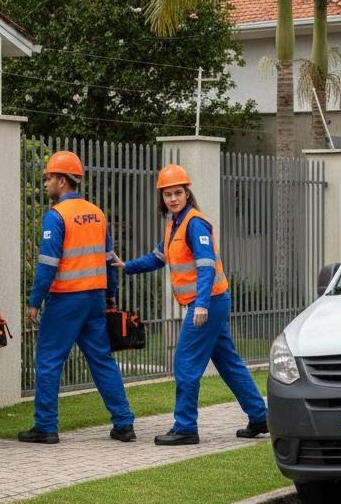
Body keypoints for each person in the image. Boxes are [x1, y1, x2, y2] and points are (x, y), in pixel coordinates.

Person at [116, 164, 267, 445]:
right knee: (229, 363)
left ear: (187, 194)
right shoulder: (174, 224)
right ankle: (260, 416)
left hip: (207, 304)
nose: (173, 198)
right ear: (162, 198)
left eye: (178, 193)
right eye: (167, 194)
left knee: (185, 362)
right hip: (212, 302)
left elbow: (206, 266)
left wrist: (200, 304)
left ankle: (185, 427)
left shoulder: (194, 223)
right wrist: (127, 266)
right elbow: (157, 258)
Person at [18, 150, 136, 445]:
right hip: (94, 299)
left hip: (65, 301)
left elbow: (47, 264)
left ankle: (45, 426)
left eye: (48, 178)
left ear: (61, 180)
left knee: (48, 360)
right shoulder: (97, 214)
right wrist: (111, 296)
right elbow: (109, 259)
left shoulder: (56, 216)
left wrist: (35, 301)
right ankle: (124, 424)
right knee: (102, 361)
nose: (45, 183)